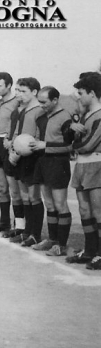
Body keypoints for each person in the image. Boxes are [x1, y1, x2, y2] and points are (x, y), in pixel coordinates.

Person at [29, 86, 74, 255]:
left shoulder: (66, 118)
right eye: (39, 101)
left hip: (58, 163)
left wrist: (46, 145)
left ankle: (61, 245)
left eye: (44, 102)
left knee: (60, 204)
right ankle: (52, 240)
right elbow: (40, 139)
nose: (41, 105)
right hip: (42, 162)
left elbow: (70, 146)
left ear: (55, 100)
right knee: (49, 204)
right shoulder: (41, 116)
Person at [66, 74, 101, 268]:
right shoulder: (86, 114)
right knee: (84, 209)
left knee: (98, 210)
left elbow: (88, 145)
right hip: (81, 165)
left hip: (96, 165)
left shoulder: (99, 115)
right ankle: (89, 250)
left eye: (81, 93)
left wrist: (74, 144)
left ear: (92, 93)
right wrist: (73, 131)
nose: (78, 96)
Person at [8, 78, 45, 246]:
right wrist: (14, 150)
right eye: (18, 91)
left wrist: (27, 149)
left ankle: (35, 234)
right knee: (24, 196)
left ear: (35, 92)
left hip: (33, 157)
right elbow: (17, 134)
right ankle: (27, 232)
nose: (19, 94)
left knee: (34, 196)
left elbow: (39, 137)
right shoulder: (23, 110)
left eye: (23, 91)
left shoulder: (40, 110)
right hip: (21, 157)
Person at [0, 72, 22, 235]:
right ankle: (4, 222)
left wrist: (12, 142)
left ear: (9, 86)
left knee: (14, 187)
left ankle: (20, 225)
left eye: (0, 86)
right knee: (1, 187)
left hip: (9, 143)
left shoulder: (17, 103)